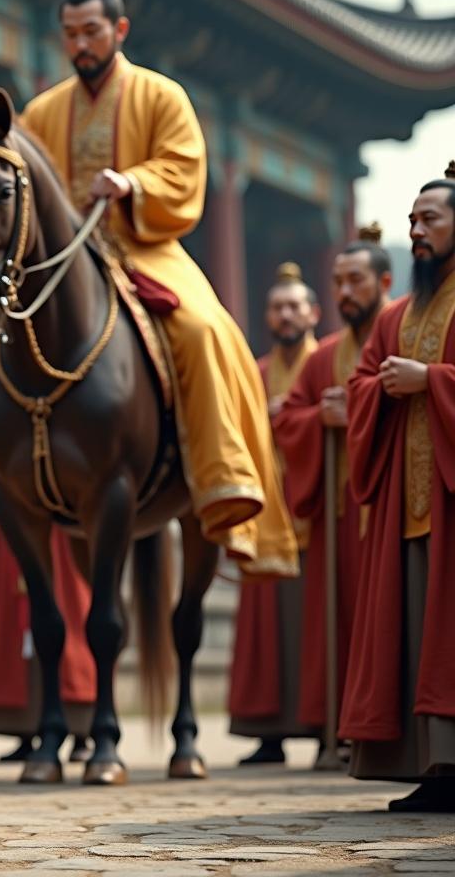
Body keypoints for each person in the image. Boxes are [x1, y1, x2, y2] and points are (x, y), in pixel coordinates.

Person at [0, 0, 296, 583]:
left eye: (92, 32)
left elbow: (185, 170)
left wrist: (135, 184)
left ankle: (220, 479)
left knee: (203, 331)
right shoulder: (41, 112)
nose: (80, 44)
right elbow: (12, 188)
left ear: (119, 32)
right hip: (58, 259)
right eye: (70, 34)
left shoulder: (160, 95)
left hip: (146, 247)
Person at [341, 164, 455, 812]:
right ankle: (434, 767)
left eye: (429, 219)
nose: (416, 231)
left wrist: (433, 380)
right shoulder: (397, 314)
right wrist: (376, 391)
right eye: (412, 221)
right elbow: (363, 380)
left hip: (450, 493)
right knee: (417, 637)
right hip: (407, 503)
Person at [274, 229, 392, 756]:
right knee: (339, 620)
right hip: (341, 511)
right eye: (339, 282)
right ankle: (339, 727)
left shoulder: (405, 336)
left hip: (392, 507)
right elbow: (292, 417)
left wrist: (361, 411)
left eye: (356, 281)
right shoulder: (323, 357)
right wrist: (316, 418)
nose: (346, 292)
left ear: (384, 282)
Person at [229, 263, 321, 764]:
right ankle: (268, 732)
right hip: (267, 512)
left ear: (313, 313)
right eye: (277, 308)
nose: (286, 316)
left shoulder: (328, 363)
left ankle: (326, 727)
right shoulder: (255, 373)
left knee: (316, 622)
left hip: (315, 511)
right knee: (267, 630)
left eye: (294, 306)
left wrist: (295, 418)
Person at [0, 528, 95, 763]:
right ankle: (25, 730)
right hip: (10, 522)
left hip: (64, 520)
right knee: (11, 624)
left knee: (73, 611)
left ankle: (81, 730)